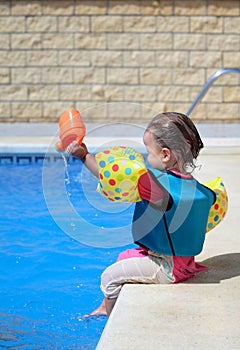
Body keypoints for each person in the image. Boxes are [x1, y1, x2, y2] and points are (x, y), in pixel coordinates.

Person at [67, 112, 215, 317]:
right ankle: (103, 307)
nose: (147, 157)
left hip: (167, 268)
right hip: (185, 263)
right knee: (123, 257)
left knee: (109, 277)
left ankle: (112, 326)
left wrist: (84, 156)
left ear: (165, 155)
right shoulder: (199, 189)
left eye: (149, 152)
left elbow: (110, 178)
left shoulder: (152, 185)